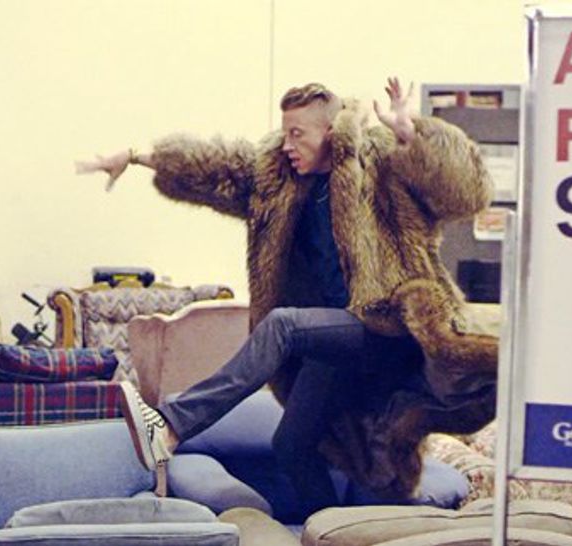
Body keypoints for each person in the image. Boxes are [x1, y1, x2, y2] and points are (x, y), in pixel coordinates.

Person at [77, 78, 499, 508]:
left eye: (297, 134)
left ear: (330, 133)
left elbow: (467, 193)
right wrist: (135, 157)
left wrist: (411, 133)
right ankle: (326, 530)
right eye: (284, 134)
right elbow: (214, 170)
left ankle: (170, 426)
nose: (287, 145)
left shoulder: (380, 162)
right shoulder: (279, 182)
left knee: (283, 325)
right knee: (292, 445)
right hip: (334, 337)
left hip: (391, 326)